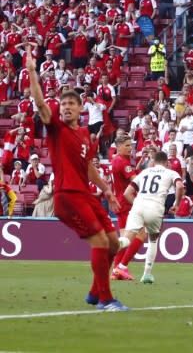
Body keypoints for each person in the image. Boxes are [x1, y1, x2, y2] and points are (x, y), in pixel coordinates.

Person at [24, 45, 129, 311]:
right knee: (100, 242)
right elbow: (39, 103)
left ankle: (96, 292)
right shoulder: (56, 128)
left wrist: (106, 190)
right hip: (67, 196)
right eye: (63, 104)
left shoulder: (83, 135)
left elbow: (89, 168)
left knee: (114, 243)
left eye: (71, 103)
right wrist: (32, 71)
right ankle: (106, 301)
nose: (66, 107)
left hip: (86, 194)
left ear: (81, 108)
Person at [122, 151, 185, 284]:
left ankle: (115, 257)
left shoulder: (144, 172)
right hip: (155, 208)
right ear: (167, 162)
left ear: (154, 161)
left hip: (138, 206)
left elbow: (127, 193)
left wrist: (138, 204)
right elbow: (180, 186)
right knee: (153, 240)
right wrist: (177, 204)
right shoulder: (171, 172)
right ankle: (147, 274)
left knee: (126, 239)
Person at [110, 134, 147, 281]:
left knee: (125, 239)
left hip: (120, 202)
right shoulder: (122, 162)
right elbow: (135, 180)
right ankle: (120, 266)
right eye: (126, 145)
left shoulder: (115, 160)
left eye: (130, 145)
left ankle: (116, 270)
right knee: (141, 234)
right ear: (118, 147)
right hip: (126, 203)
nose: (130, 148)